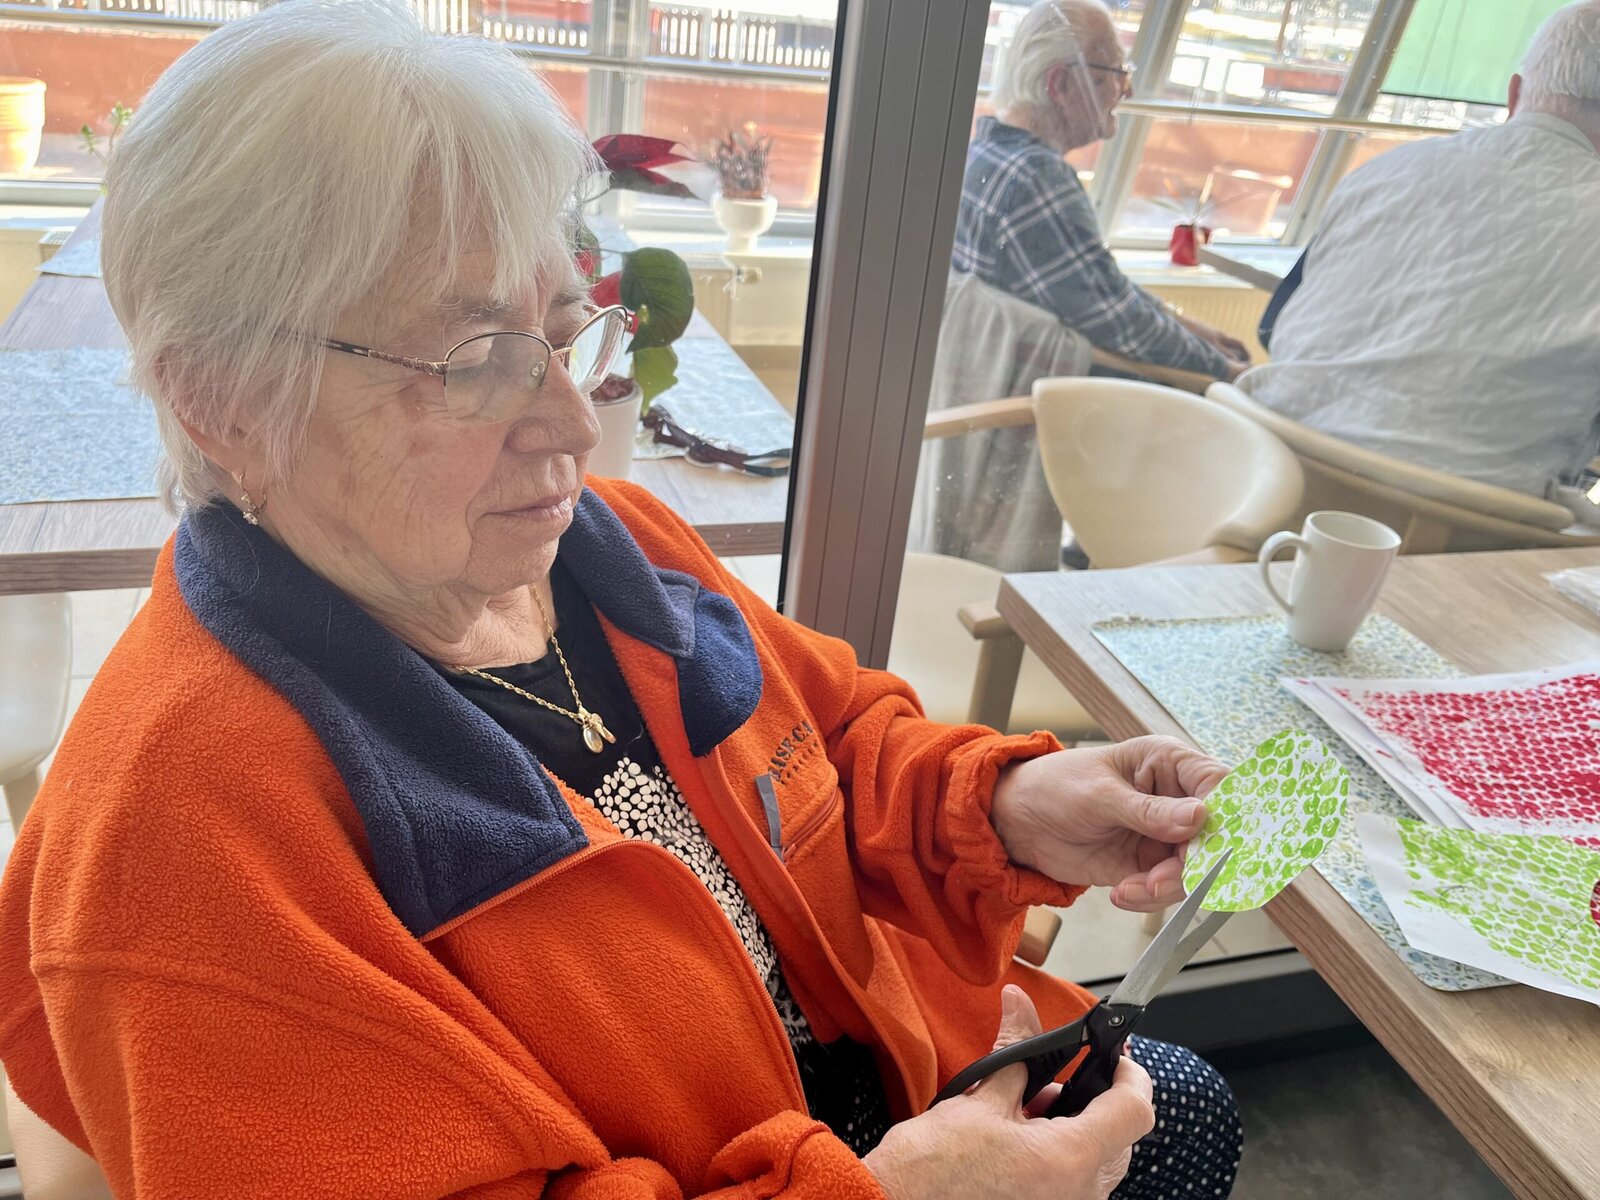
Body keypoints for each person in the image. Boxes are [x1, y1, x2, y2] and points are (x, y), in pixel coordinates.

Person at [0, 4, 1243, 1197]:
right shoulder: (182, 840)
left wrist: (1006, 807)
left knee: (1187, 1103)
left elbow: (831, 741)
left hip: (873, 1073)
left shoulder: (605, 551)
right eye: (473, 361)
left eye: (562, 331)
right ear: (224, 402)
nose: (571, 424)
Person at [1238, 0, 1600, 499]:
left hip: (1263, 483)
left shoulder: (1385, 171)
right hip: (1466, 526)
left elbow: (1273, 327)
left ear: (1514, 93)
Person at [952, 0, 1250, 383]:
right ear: (1060, 84)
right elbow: (1121, 325)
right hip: (1052, 399)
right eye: (1117, 72)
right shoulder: (1036, 179)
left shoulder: (988, 151)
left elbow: (1102, 287)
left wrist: (1189, 325)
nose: (1128, 90)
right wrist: (1230, 373)